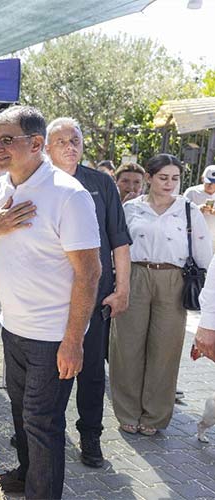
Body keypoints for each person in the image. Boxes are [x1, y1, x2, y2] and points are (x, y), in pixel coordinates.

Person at [0, 105, 101, 499]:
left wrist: (74, 341)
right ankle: (25, 476)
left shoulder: (68, 195)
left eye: (9, 140)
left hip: (53, 336)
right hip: (12, 327)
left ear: (37, 144)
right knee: (23, 418)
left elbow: (90, 273)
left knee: (43, 424)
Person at [45, 117, 132, 468]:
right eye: (62, 140)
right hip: (48, 298)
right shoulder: (37, 183)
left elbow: (120, 240)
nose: (70, 145)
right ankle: (38, 431)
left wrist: (123, 288)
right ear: (46, 147)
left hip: (95, 295)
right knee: (46, 368)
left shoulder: (101, 184)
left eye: (76, 139)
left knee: (92, 371)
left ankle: (91, 436)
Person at [111, 154, 213, 436]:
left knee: (165, 349)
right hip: (134, 276)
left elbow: (205, 256)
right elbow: (116, 248)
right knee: (126, 346)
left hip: (174, 280)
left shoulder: (189, 210)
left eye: (175, 178)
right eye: (163, 177)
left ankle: (154, 416)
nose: (169, 183)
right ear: (150, 178)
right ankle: (127, 412)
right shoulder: (131, 208)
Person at [183, 165, 215, 250]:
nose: (210, 185)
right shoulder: (192, 192)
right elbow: (181, 212)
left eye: (214, 182)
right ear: (202, 179)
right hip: (194, 237)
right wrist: (197, 209)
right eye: (208, 181)